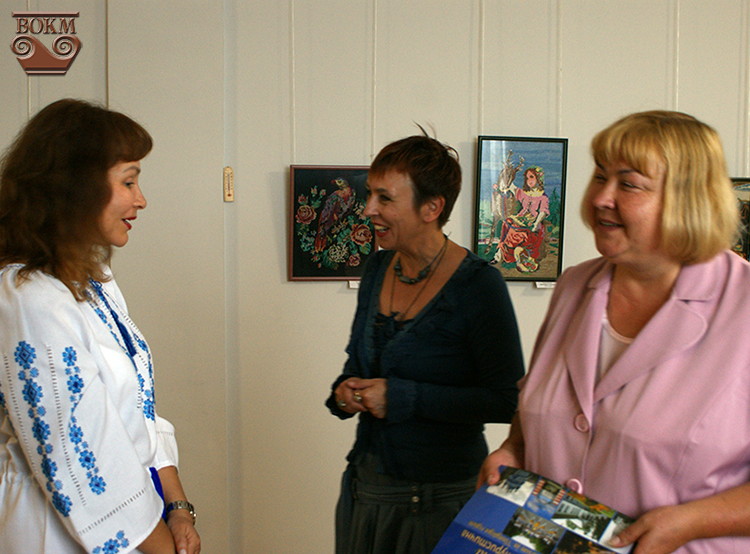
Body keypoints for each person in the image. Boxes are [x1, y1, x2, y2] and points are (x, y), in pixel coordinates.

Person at [479, 110, 750, 553]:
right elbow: (537, 411)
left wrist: (692, 522)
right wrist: (512, 450)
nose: (602, 197)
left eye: (629, 184)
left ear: (689, 199)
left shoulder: (743, 307)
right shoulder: (574, 286)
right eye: (601, 176)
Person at [0, 99, 201, 554]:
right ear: (76, 186)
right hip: (55, 532)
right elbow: (79, 456)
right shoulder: (29, 297)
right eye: (128, 181)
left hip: (138, 520)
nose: (141, 199)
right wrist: (162, 547)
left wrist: (177, 507)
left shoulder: (93, 279)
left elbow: (139, 411)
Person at [326, 131, 525, 553]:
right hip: (365, 491)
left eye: (384, 198)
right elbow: (359, 365)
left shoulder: (478, 285)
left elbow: (506, 399)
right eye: (369, 194)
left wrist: (401, 397)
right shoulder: (377, 269)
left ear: (432, 208)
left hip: (439, 503)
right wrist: (346, 392)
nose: (368, 209)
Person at [493, 166, 550, 273]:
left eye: (532, 177)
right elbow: (511, 187)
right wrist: (503, 181)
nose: (529, 180)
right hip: (521, 219)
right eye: (527, 178)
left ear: (539, 178)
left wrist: (535, 223)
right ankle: (499, 254)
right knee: (507, 223)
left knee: (514, 232)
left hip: (533, 223)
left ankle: (514, 256)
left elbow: (543, 211)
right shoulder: (524, 193)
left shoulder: (543, 197)